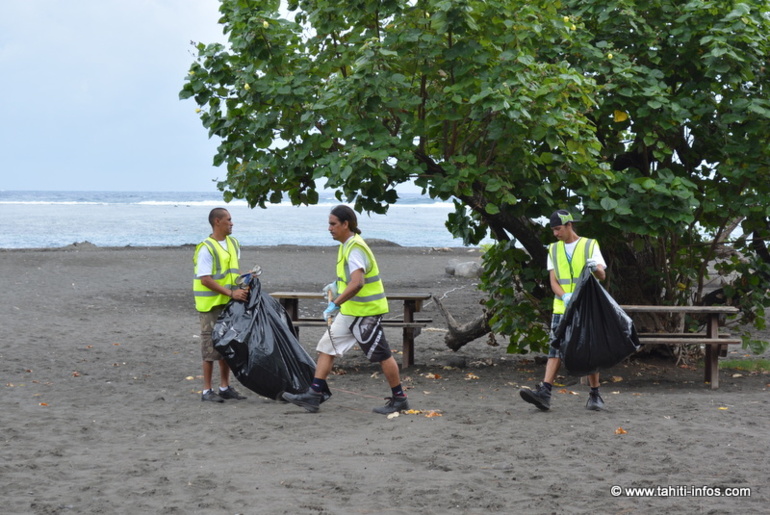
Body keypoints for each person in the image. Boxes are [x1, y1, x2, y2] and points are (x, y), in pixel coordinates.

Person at [282, 205, 410, 415]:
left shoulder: (355, 247)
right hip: (351, 312)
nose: (329, 228)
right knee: (326, 346)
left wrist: (336, 303)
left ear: (345, 224)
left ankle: (400, 398)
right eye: (329, 224)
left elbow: (358, 283)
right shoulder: (345, 246)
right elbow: (350, 279)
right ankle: (314, 396)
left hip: (366, 312)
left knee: (382, 355)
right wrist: (336, 286)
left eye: (333, 224)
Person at [520, 209, 608, 411]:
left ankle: (595, 394)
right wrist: (565, 296)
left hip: (586, 307)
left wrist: (595, 267)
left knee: (589, 351)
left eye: (558, 229)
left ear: (569, 225)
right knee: (555, 348)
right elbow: (553, 282)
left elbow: (602, 275)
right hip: (562, 306)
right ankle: (545, 392)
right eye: (553, 230)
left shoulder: (589, 245)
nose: (556, 234)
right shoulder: (553, 249)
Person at [193, 207, 248, 403]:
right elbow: (205, 279)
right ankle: (207, 390)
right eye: (229, 220)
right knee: (210, 348)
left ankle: (224, 386)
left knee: (227, 345)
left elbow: (233, 273)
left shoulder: (233, 243)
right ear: (217, 221)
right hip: (210, 305)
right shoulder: (207, 247)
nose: (232, 223)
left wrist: (245, 281)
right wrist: (231, 293)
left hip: (228, 303)